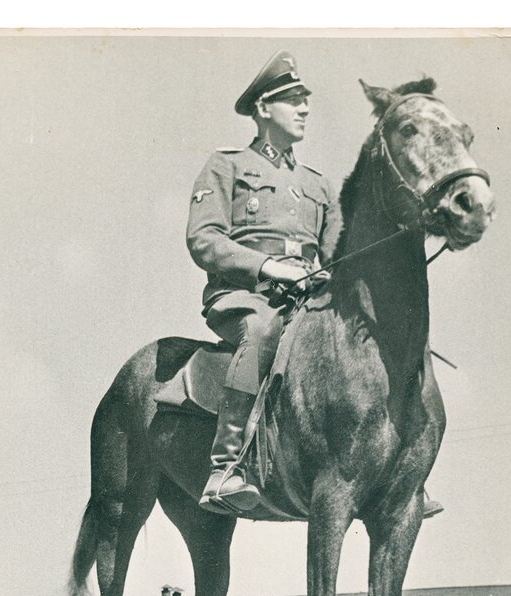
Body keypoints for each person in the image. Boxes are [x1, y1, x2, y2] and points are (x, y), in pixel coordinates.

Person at [187, 50, 444, 519]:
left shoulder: (318, 184)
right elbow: (204, 240)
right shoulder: (226, 166)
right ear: (264, 108)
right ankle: (225, 467)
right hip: (247, 299)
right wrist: (268, 267)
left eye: (306, 100)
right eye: (293, 100)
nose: (304, 108)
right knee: (262, 330)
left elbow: (335, 254)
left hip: (306, 303)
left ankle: (401, 474)